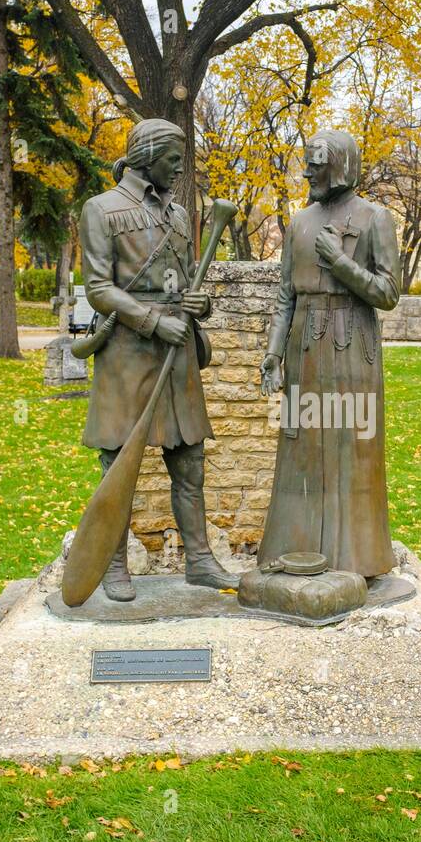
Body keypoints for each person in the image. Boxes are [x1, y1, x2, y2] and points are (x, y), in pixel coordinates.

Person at [79, 118, 238, 601]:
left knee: (189, 461)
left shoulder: (176, 213)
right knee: (118, 464)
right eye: (173, 159)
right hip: (128, 350)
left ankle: (200, 561)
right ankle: (113, 565)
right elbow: (98, 288)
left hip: (179, 350)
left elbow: (187, 277)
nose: (179, 169)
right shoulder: (101, 210)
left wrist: (200, 305)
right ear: (148, 155)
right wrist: (152, 321)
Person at [258, 129, 400, 578]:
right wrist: (273, 354)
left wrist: (340, 263)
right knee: (301, 448)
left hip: (353, 346)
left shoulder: (375, 218)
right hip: (304, 348)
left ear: (338, 164)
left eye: (315, 162)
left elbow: (388, 292)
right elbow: (285, 296)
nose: (306, 171)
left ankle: (357, 555)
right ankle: (293, 547)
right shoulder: (298, 223)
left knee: (350, 447)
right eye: (306, 161)